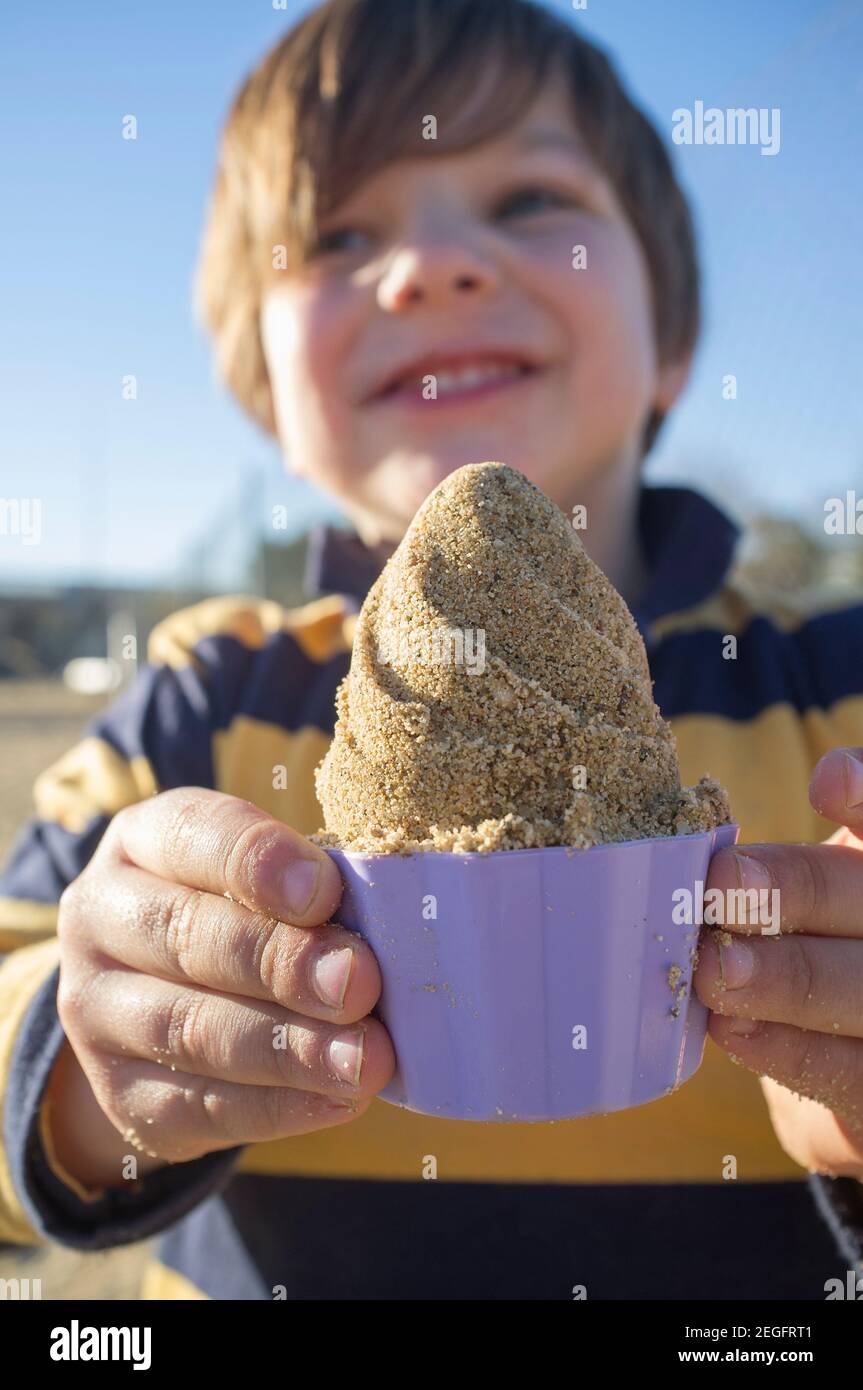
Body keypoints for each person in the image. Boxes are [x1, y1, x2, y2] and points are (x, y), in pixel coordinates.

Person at [1, 0, 861, 1300]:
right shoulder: (211, 692)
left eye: (528, 200)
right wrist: (81, 1068)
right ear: (263, 392)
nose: (432, 267)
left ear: (674, 340)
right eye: (341, 235)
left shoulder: (830, 690)